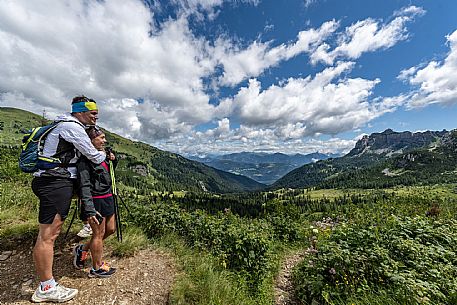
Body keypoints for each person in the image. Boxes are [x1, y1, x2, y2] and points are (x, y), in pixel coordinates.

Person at [31, 96, 106, 303]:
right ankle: (46, 287)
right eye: (92, 113)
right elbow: (93, 155)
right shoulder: (72, 128)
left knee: (49, 233)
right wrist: (103, 154)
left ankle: (47, 282)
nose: (96, 116)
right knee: (48, 235)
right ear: (80, 112)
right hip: (55, 183)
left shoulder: (63, 125)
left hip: (53, 181)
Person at [73, 126, 117, 278]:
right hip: (95, 201)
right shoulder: (84, 160)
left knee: (111, 229)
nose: (104, 140)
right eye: (101, 138)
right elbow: (84, 186)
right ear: (90, 141)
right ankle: (96, 268)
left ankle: (83, 249)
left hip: (107, 197)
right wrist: (89, 209)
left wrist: (113, 160)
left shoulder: (101, 155)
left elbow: (106, 174)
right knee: (99, 233)